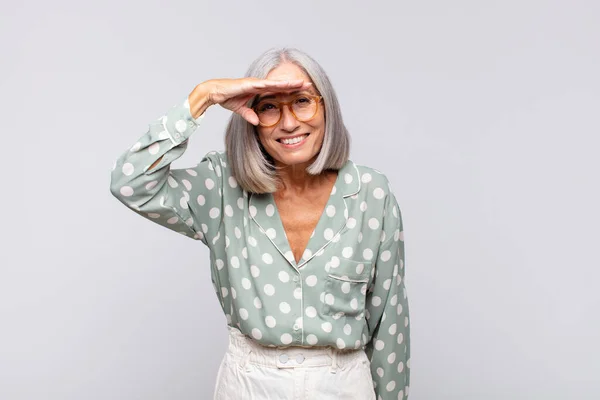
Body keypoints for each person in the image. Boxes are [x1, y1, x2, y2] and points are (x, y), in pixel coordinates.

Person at [110, 47, 410, 400]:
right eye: (269, 106)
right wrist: (202, 97)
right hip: (250, 385)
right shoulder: (223, 186)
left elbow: (389, 319)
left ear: (326, 106)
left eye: (302, 101)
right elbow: (130, 183)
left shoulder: (371, 193)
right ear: (250, 116)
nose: (288, 122)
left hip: (344, 385)